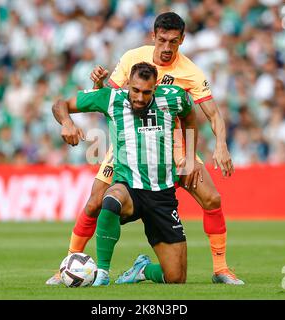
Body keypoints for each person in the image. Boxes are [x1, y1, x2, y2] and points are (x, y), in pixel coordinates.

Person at [47, 12, 244, 286]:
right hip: (128, 143)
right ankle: (69, 265)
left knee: (212, 198)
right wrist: (95, 87)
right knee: (95, 202)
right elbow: (109, 97)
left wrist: (209, 149)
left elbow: (209, 114)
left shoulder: (191, 72)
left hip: (172, 143)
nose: (166, 47)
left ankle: (221, 268)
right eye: (162, 40)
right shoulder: (132, 59)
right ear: (153, 36)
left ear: (182, 41)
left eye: (173, 42)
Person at [52, 62, 198, 285]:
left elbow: (189, 116)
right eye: (136, 90)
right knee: (111, 198)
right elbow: (60, 104)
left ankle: (142, 270)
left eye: (147, 92)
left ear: (155, 88)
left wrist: (189, 160)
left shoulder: (174, 97)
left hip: (162, 196)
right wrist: (66, 122)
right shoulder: (111, 98)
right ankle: (102, 273)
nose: (140, 97)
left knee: (176, 277)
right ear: (128, 84)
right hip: (129, 188)